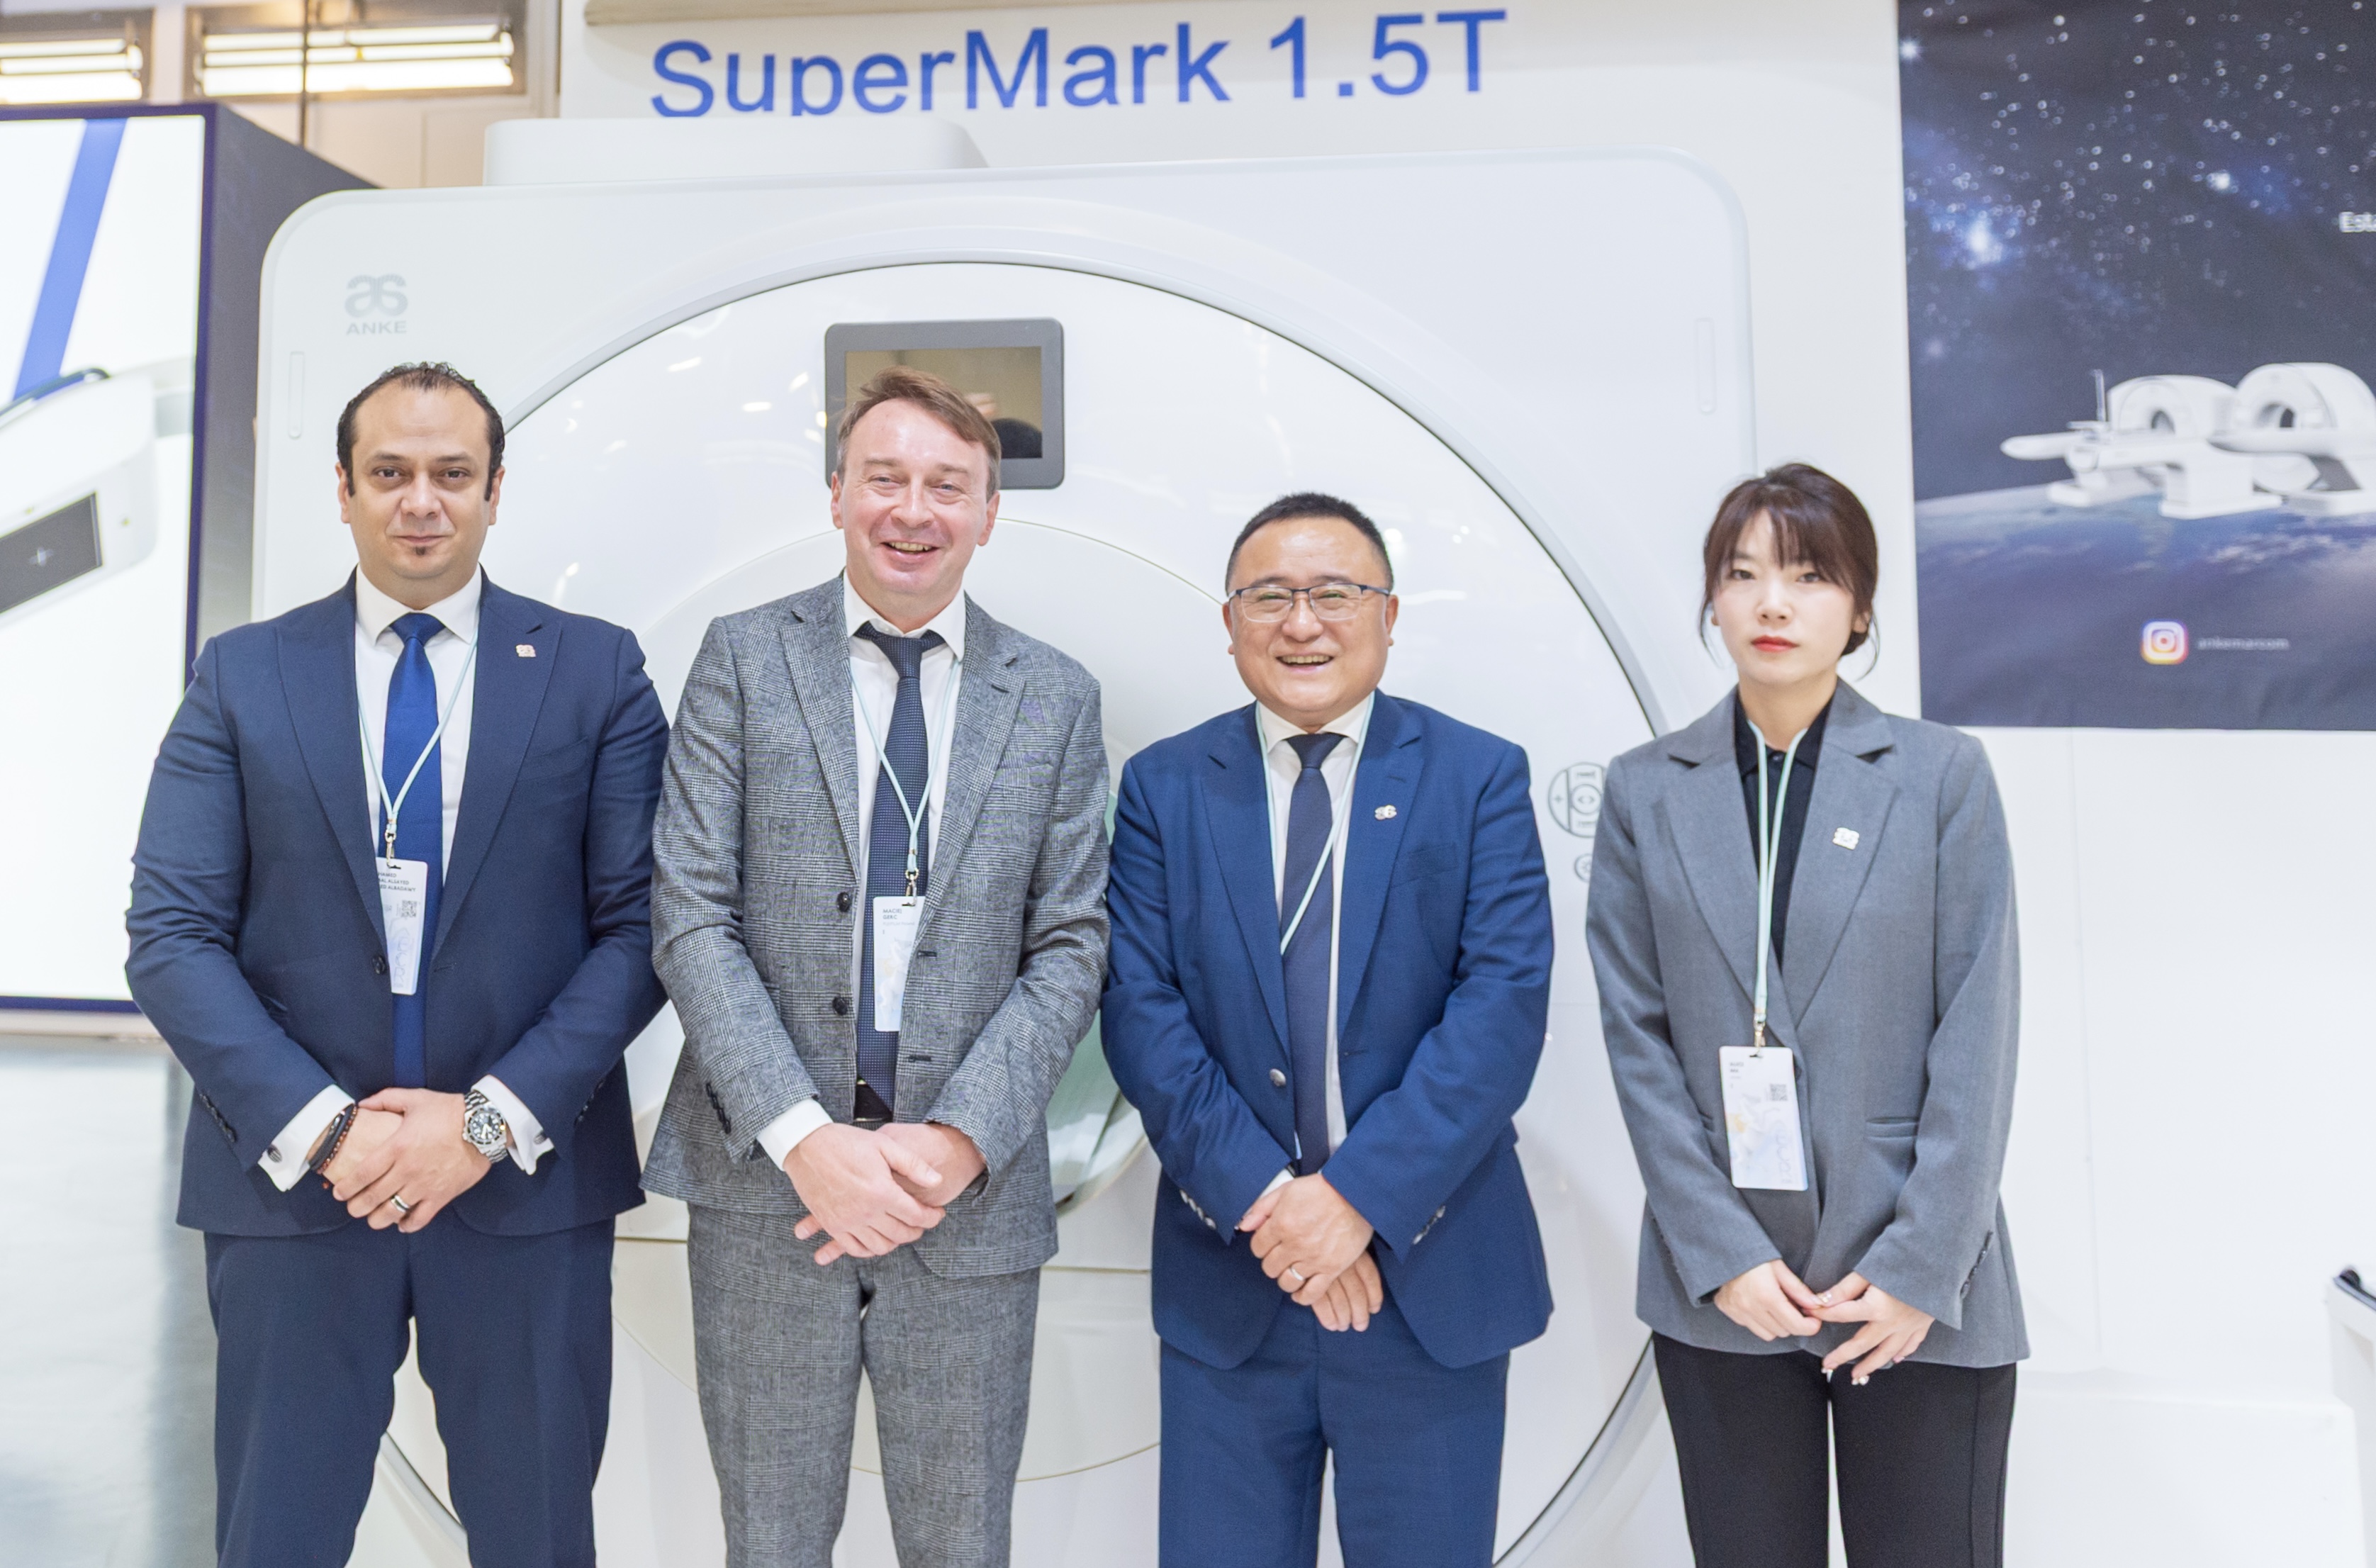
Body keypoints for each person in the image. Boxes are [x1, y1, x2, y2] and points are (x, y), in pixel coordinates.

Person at [125, 362, 670, 1567]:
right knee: (277, 1536)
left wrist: (481, 1124)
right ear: (344, 489)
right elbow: (170, 935)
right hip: (298, 1192)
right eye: (390, 472)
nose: (421, 500)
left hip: (521, 1188)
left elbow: (643, 929)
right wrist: (332, 1130)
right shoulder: (243, 673)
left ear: (494, 490)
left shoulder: (595, 671)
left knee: (536, 1537)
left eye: (451, 473)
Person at [644, 364, 1109, 1568]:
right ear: (837, 493)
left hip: (966, 1201)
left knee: (962, 1542)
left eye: (947, 486)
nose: (914, 510)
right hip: (768, 1192)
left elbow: (1070, 943)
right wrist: (806, 1139)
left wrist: (957, 1141)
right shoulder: (743, 659)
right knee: (771, 1541)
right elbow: (690, 914)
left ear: (989, 513)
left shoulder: (1055, 696)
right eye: (886, 478)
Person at [1102, 493, 1556, 1568]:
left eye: (1335, 594)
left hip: (1426, 1274)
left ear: (1388, 616)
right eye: (1269, 596)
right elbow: (1140, 1008)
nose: (1301, 622)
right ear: (1229, 623)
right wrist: (1280, 1209)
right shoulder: (1166, 786)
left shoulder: (1477, 774)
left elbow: (1500, 1010)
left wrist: (1353, 1203)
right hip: (1235, 1280)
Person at [1585, 463, 2025, 1567]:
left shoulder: (1940, 776)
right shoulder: (1646, 789)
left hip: (1914, 1283)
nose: (1771, 603)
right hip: (1726, 1288)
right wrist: (1722, 1254)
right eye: (1743, 575)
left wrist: (1922, 1265)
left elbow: (1980, 1033)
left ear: (1860, 608)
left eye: (1809, 575)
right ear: (1713, 600)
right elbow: (1638, 1042)